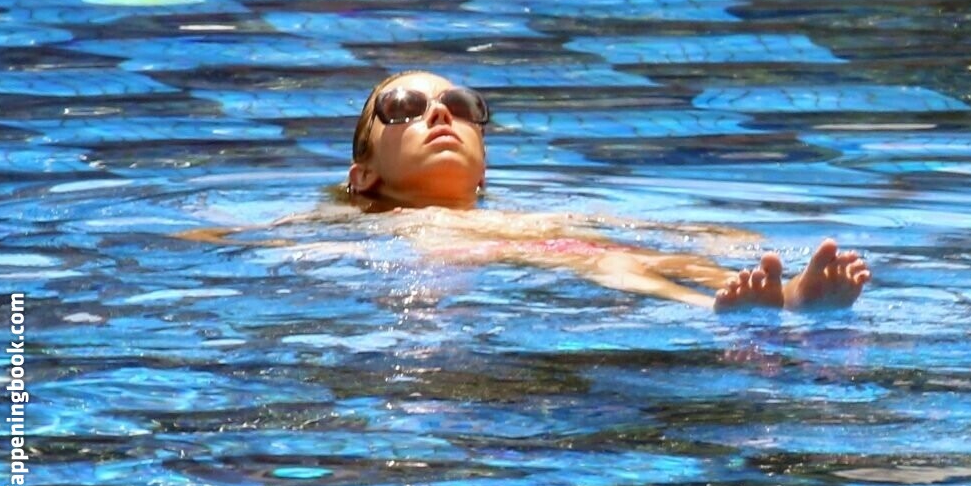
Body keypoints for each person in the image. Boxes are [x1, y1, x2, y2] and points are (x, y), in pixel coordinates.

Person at [179, 70, 871, 310]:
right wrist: (205, 234)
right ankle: (716, 311)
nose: (439, 113)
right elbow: (249, 236)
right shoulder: (369, 223)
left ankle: (784, 296)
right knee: (612, 264)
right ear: (363, 176)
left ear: (483, 165)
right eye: (404, 108)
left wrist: (717, 239)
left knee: (649, 254)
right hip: (516, 265)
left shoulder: (543, 214)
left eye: (459, 104)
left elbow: (650, 229)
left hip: (549, 246)